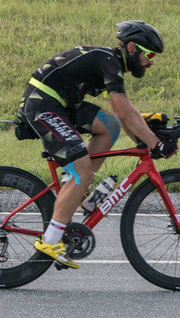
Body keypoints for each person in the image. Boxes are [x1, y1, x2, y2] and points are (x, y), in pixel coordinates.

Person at [21, 22, 167, 268]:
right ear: (132, 47)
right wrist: (156, 144)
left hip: (59, 104)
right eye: (149, 55)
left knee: (109, 127)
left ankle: (78, 190)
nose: (151, 62)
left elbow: (121, 115)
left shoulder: (111, 62)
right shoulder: (108, 61)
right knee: (82, 170)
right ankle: (51, 239)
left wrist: (143, 141)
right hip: (42, 105)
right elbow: (125, 110)